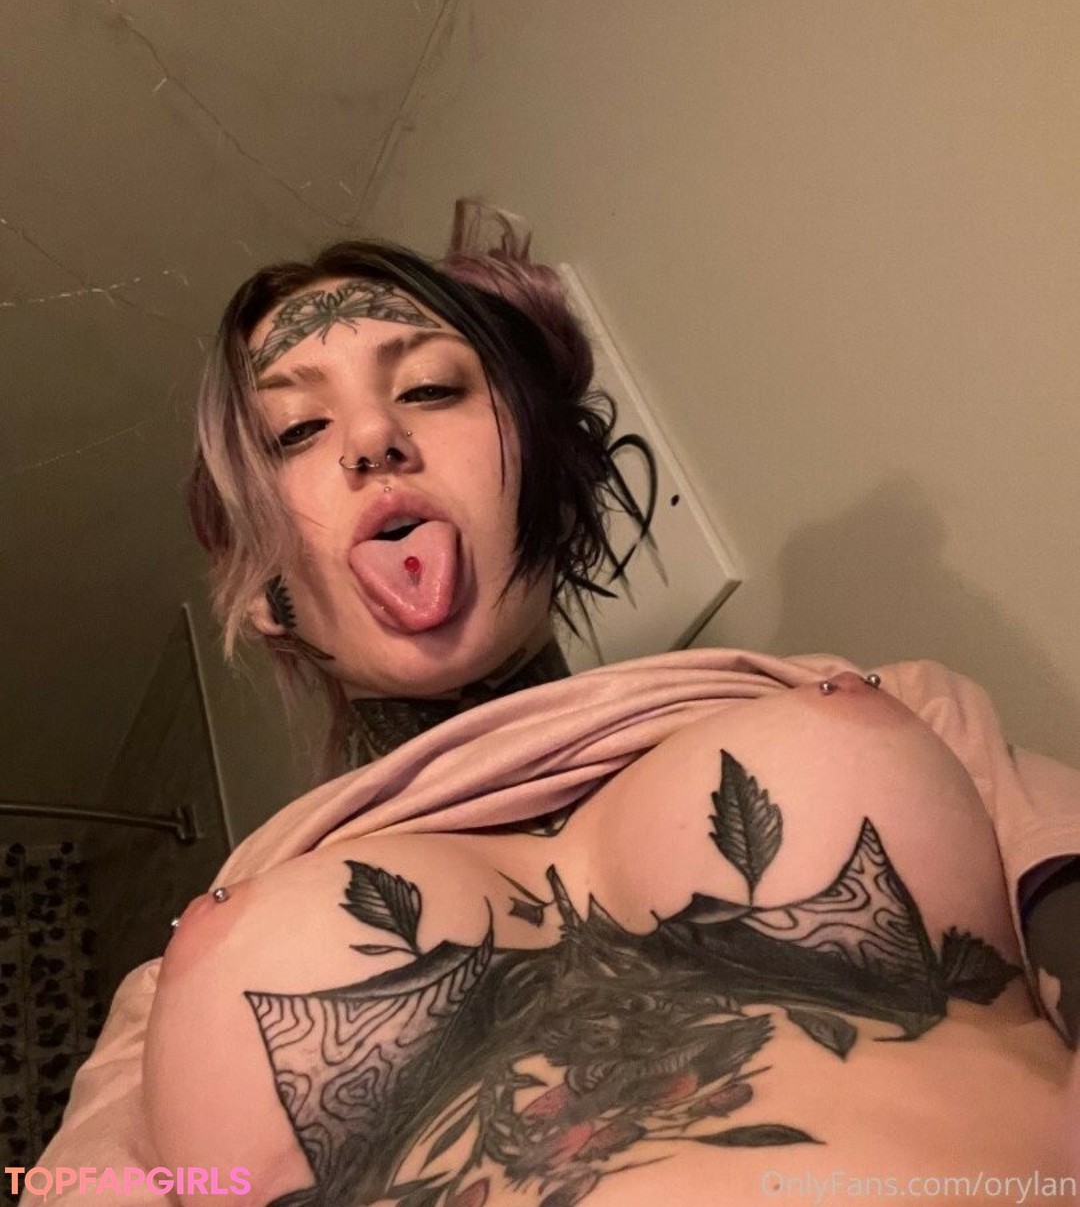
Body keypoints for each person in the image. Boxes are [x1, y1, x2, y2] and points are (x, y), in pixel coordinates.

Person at [35, 228, 1080, 1206]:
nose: (372, 437)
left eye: (431, 386)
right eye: (296, 430)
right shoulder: (171, 991)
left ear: (557, 476)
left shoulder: (893, 708)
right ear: (267, 595)